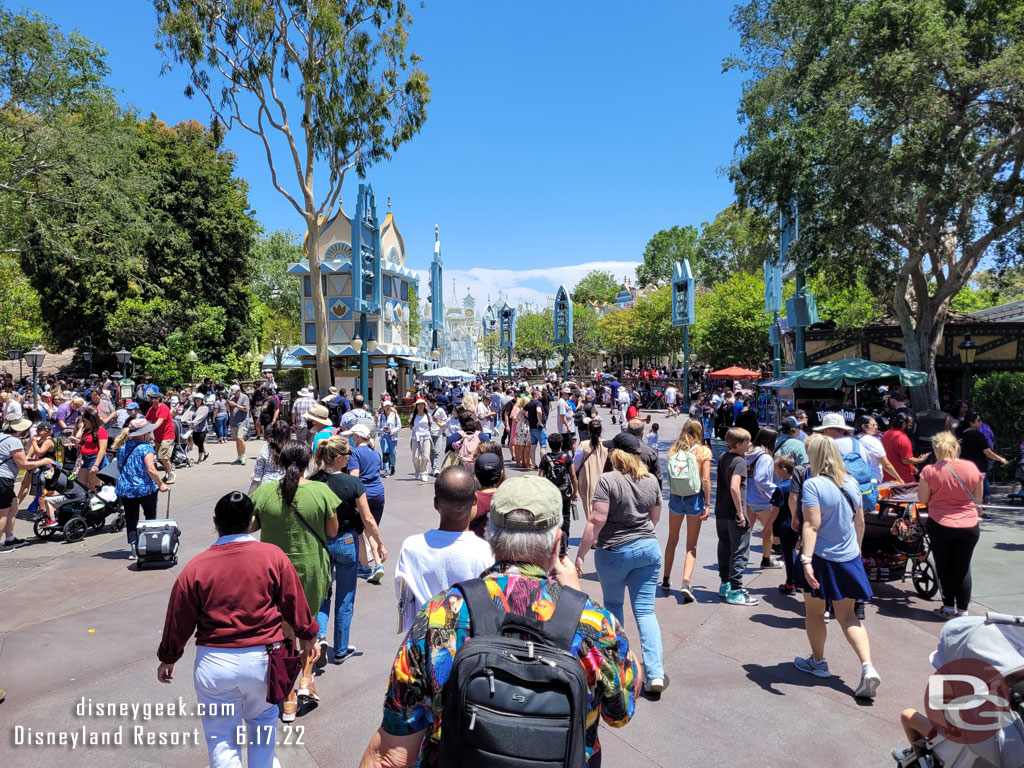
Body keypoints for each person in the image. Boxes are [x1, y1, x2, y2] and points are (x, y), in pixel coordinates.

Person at [359, 475, 639, 768]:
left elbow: (391, 754)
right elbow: (620, 711)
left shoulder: (439, 615)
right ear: (558, 543)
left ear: (489, 535)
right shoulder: (593, 623)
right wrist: (577, 597)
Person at [156, 491, 320, 768]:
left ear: (215, 522)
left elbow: (178, 619)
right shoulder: (273, 556)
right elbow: (294, 602)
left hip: (214, 662)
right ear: (252, 520)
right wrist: (309, 636)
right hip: (264, 660)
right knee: (263, 726)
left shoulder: (196, 567)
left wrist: (168, 658)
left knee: (221, 738)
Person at [250, 440, 340, 721]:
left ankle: (288, 697)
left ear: (280, 462)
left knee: (284, 633)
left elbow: (250, 527)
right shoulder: (321, 491)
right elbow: (333, 530)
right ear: (308, 463)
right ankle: (306, 678)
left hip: (273, 574)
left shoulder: (265, 492)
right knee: (308, 627)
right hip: (312, 569)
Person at [575, 434, 664, 694]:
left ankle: (619, 667)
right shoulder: (651, 481)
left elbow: (596, 521)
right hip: (648, 549)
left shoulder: (608, 480)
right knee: (646, 612)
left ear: (617, 454)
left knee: (614, 607)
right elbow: (654, 517)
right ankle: (655, 674)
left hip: (613, 551)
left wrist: (581, 554)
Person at [794, 434, 880, 699]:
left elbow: (811, 525)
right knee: (849, 616)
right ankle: (868, 667)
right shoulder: (852, 483)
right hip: (849, 556)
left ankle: (818, 662)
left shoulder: (813, 485)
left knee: (815, 613)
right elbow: (860, 523)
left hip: (820, 557)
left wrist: (806, 559)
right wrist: (856, 550)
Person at [311, 436, 387, 664]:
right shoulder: (352, 483)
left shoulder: (314, 481)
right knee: (345, 596)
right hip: (346, 541)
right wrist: (379, 544)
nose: (349, 459)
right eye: (347, 455)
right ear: (338, 458)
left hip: (321, 541)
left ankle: (320, 634)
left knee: (323, 593)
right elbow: (367, 518)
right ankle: (341, 648)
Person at [394, 466, 495, 633]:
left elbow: (404, 607)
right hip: (469, 645)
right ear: (475, 500)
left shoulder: (411, 547)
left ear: (436, 504)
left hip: (425, 641)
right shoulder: (487, 552)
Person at [917, 431, 983, 620]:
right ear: (956, 447)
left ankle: (947, 608)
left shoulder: (929, 471)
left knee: (944, 567)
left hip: (941, 523)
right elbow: (978, 503)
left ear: (935, 449)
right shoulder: (971, 467)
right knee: (963, 567)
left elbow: (923, 500)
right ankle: (963, 611)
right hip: (969, 524)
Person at [663, 418, 712, 601]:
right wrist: (707, 504)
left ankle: (666, 579)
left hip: (676, 497)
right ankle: (685, 582)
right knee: (691, 545)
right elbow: (705, 480)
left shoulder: (674, 449)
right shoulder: (703, 452)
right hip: (694, 498)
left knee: (672, 539)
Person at [112, 418, 170, 558]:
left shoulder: (122, 447)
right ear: (143, 434)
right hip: (144, 488)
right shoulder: (146, 448)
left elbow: (120, 468)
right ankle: (148, 545)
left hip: (126, 488)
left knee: (132, 518)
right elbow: (151, 469)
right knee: (149, 517)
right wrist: (160, 484)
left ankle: (133, 548)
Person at [0, 418, 59, 552]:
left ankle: (10, 538)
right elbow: (23, 464)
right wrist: (43, 461)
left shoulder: (2, 437)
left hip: (3, 478)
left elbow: (21, 459)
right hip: (3, 479)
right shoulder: (14, 441)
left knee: (13, 506)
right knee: (3, 513)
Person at [715, 427, 758, 606]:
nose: (750, 444)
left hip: (720, 512)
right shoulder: (739, 461)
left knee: (724, 548)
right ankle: (736, 589)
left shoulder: (724, 457)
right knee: (740, 550)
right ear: (739, 444)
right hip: (733, 514)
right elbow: (735, 486)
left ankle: (725, 584)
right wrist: (741, 512)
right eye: (747, 442)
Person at [346, 423, 386, 584]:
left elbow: (354, 477)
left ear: (358, 437)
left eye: (353, 436)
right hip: (379, 494)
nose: (352, 438)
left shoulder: (355, 454)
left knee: (359, 531)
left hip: (363, 495)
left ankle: (366, 567)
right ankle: (375, 564)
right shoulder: (375, 453)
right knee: (371, 529)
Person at [538, 432, 579, 556]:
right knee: (565, 517)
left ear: (549, 445)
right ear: (561, 444)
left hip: (551, 494)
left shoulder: (545, 458)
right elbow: (573, 476)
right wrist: (574, 492)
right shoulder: (566, 457)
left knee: (551, 516)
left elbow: (540, 476)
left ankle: (552, 541)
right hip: (564, 493)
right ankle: (564, 543)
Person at [746, 426, 781, 570]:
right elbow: (761, 479)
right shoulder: (765, 457)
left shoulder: (749, 453)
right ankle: (766, 560)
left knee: (745, 532)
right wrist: (776, 490)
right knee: (768, 531)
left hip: (747, 499)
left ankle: (738, 558)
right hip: (762, 500)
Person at [957, 410, 1009, 504]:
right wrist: (1000, 459)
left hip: (964, 467)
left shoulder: (961, 435)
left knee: (967, 492)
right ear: (971, 423)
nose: (980, 422)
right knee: (978, 493)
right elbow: (987, 452)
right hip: (978, 467)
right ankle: (978, 512)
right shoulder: (977, 435)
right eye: (978, 420)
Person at [881, 412, 929, 483]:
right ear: (904, 424)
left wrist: (912, 466)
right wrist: (921, 460)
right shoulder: (902, 438)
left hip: (887, 476)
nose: (910, 428)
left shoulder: (886, 434)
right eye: (910, 425)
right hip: (902, 479)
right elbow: (906, 460)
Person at [853, 414, 902, 483]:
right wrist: (898, 478)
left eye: (876, 424)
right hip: (872, 480)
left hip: (856, 479)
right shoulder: (872, 441)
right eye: (873, 425)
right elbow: (886, 464)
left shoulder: (853, 440)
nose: (876, 427)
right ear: (863, 427)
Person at [249, 420, 290, 494]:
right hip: (287, 487)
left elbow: (257, 474)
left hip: (266, 487)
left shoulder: (265, 447)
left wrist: (250, 496)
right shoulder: (292, 448)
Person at [73, 406, 109, 491]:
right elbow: (84, 443)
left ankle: (97, 501)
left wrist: (96, 465)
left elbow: (102, 449)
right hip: (85, 459)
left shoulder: (101, 431)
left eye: (85, 421)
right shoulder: (87, 431)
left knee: (94, 485)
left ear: (91, 421)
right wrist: (76, 444)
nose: (84, 423)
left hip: (94, 458)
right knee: (80, 484)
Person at [468, 452, 503, 538]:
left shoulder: (471, 501)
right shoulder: (508, 497)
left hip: (477, 549)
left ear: (475, 474)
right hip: (500, 549)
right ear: (501, 473)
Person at [145, 390, 177, 483]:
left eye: (152, 398)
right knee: (159, 458)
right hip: (158, 436)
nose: (150, 399)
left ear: (158, 399)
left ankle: (171, 473)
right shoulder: (151, 409)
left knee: (163, 456)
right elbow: (145, 420)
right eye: (150, 398)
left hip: (167, 435)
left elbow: (160, 421)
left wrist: (150, 428)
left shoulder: (164, 408)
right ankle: (168, 474)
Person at [181, 392, 210, 463]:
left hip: (202, 428)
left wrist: (191, 422)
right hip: (194, 428)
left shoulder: (205, 408)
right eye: (196, 398)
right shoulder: (192, 407)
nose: (197, 400)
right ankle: (206, 453)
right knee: (196, 442)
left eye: (199, 399)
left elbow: (200, 418)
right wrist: (181, 420)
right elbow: (186, 415)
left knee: (200, 442)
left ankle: (200, 458)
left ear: (202, 400)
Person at [226, 385, 250, 465]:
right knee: (237, 439)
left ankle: (243, 457)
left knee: (240, 438)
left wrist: (235, 405)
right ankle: (239, 457)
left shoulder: (244, 397)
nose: (234, 395)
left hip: (242, 421)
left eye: (235, 393)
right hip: (233, 421)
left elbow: (246, 409)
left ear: (239, 391)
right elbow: (229, 411)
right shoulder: (232, 398)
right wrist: (227, 405)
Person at [409, 398, 432, 482]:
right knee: (415, 457)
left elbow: (430, 425)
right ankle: (417, 470)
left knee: (425, 456)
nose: (420, 406)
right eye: (419, 405)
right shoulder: (413, 415)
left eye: (422, 404)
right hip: (416, 437)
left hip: (426, 436)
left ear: (424, 406)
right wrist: (416, 431)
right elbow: (410, 426)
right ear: (416, 406)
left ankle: (424, 473)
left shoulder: (428, 415)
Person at [377, 399, 401, 477]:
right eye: (386, 406)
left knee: (393, 453)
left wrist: (393, 431)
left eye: (389, 406)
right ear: (383, 407)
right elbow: (378, 427)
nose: (387, 407)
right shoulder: (380, 417)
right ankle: (386, 469)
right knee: (385, 452)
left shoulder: (395, 416)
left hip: (392, 436)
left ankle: (392, 465)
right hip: (384, 435)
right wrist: (382, 429)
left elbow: (399, 426)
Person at [427, 394, 448, 478]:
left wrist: (438, 421)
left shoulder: (440, 410)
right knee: (431, 451)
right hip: (429, 433)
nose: (433, 404)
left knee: (437, 451)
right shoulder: (426, 410)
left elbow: (445, 421)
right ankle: (433, 467)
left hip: (438, 433)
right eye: (432, 402)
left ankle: (436, 468)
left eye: (435, 402)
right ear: (429, 402)